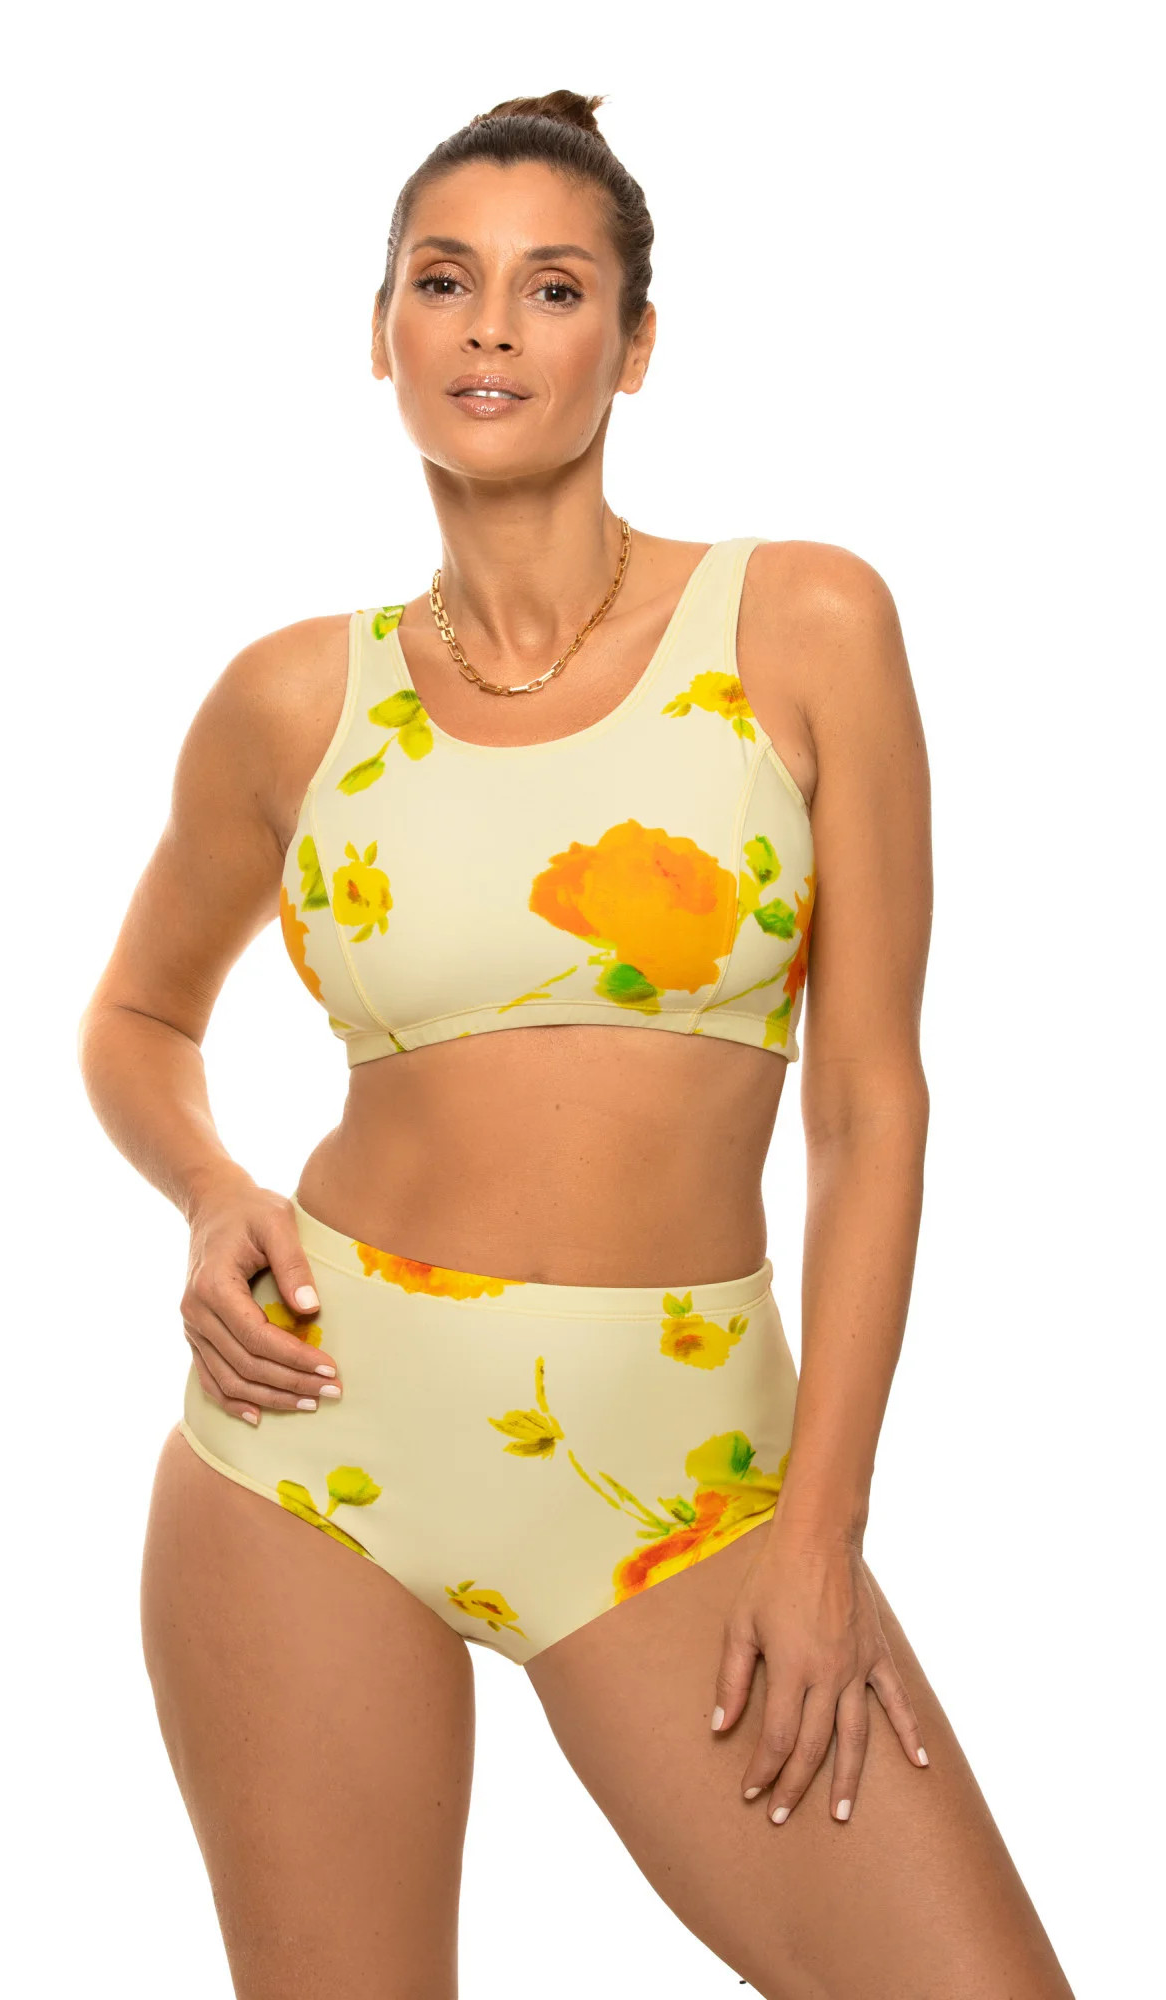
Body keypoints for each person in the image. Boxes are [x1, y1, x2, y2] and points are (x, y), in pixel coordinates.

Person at [78, 89, 1075, 2000]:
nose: (491, 328)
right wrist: (208, 1190)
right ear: (381, 330)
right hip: (312, 1444)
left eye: (554, 288)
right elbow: (135, 1018)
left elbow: (871, 1111)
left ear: (634, 344)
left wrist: (819, 1537)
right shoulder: (292, 699)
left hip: (686, 1480)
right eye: (443, 281)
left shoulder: (802, 623)